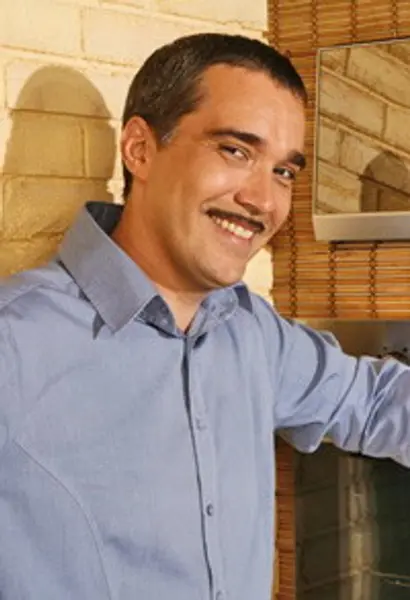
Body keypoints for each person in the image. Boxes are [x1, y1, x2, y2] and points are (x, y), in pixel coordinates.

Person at [0, 32, 408, 600]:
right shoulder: (14, 343)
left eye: (284, 172)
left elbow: (374, 401)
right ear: (140, 149)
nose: (264, 201)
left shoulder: (252, 331)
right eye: (235, 151)